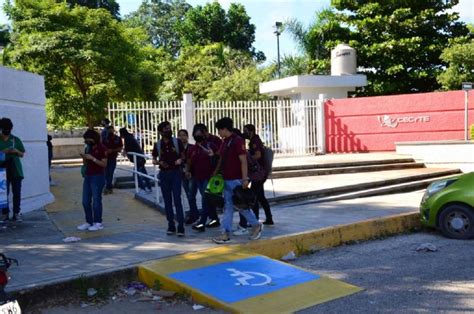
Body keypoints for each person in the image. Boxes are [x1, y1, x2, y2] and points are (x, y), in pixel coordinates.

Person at [212, 117, 263, 244]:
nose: (218, 133)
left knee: (241, 206)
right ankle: (226, 233)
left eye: (219, 130)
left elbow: (243, 160)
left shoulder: (237, 141)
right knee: (228, 207)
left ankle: (255, 225)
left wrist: (245, 178)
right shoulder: (225, 141)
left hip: (236, 179)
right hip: (227, 179)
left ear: (224, 129)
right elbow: (221, 157)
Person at [152, 121, 186, 237]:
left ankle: (180, 226)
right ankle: (171, 224)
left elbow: (183, 155)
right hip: (164, 174)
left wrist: (180, 160)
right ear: (161, 132)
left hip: (175, 173)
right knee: (167, 201)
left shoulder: (176, 142)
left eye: (169, 128)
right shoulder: (158, 144)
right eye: (166, 129)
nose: (169, 130)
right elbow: (154, 157)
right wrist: (156, 161)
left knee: (177, 199)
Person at [186, 126, 219, 232]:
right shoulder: (193, 149)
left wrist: (212, 156)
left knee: (205, 199)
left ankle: (202, 223)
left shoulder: (211, 146)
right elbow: (189, 161)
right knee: (207, 199)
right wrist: (188, 171)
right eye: (195, 134)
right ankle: (214, 219)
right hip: (197, 177)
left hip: (209, 177)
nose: (197, 136)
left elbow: (219, 158)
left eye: (199, 134)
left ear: (204, 134)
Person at [77, 129, 107, 231]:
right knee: (85, 201)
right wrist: (84, 158)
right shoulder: (88, 148)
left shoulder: (102, 148)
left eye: (87, 139)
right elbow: (86, 163)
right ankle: (88, 221)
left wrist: (93, 158)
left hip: (98, 176)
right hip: (88, 175)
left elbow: (104, 164)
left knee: (96, 201)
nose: (86, 141)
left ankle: (98, 222)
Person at [244, 124, 274, 225]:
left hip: (259, 173)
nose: (245, 133)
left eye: (246, 131)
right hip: (260, 173)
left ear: (251, 131)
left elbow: (258, 155)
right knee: (260, 196)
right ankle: (269, 218)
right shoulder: (255, 140)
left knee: (253, 196)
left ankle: (255, 219)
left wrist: (249, 159)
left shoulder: (254, 141)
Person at [0, 118, 25, 222]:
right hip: (2, 171)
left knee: (17, 192)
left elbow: (22, 154)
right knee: (3, 193)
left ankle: (16, 213)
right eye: (5, 129)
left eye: (9, 129)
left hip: (15, 169)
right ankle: (5, 214)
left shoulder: (15, 139)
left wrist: (16, 151)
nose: (7, 132)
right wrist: (3, 151)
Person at [119, 127, 153, 193]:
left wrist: (125, 152)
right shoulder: (130, 137)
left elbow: (128, 148)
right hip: (139, 158)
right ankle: (148, 187)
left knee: (136, 174)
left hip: (138, 159)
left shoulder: (128, 138)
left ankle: (143, 188)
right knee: (143, 173)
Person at [177, 129, 199, 225]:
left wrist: (189, 170)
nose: (182, 137)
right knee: (188, 195)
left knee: (191, 195)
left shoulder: (192, 147)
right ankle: (194, 215)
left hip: (192, 174)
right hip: (182, 174)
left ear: (187, 136)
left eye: (184, 135)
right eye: (180, 135)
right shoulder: (177, 148)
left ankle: (194, 216)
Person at [102, 126, 123, 194]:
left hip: (113, 158)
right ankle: (107, 187)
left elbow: (120, 148)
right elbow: (101, 147)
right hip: (105, 158)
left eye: (111, 130)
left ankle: (108, 187)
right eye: (109, 130)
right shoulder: (104, 139)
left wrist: (112, 150)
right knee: (105, 173)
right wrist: (105, 151)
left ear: (113, 130)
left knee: (110, 172)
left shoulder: (117, 139)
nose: (110, 131)